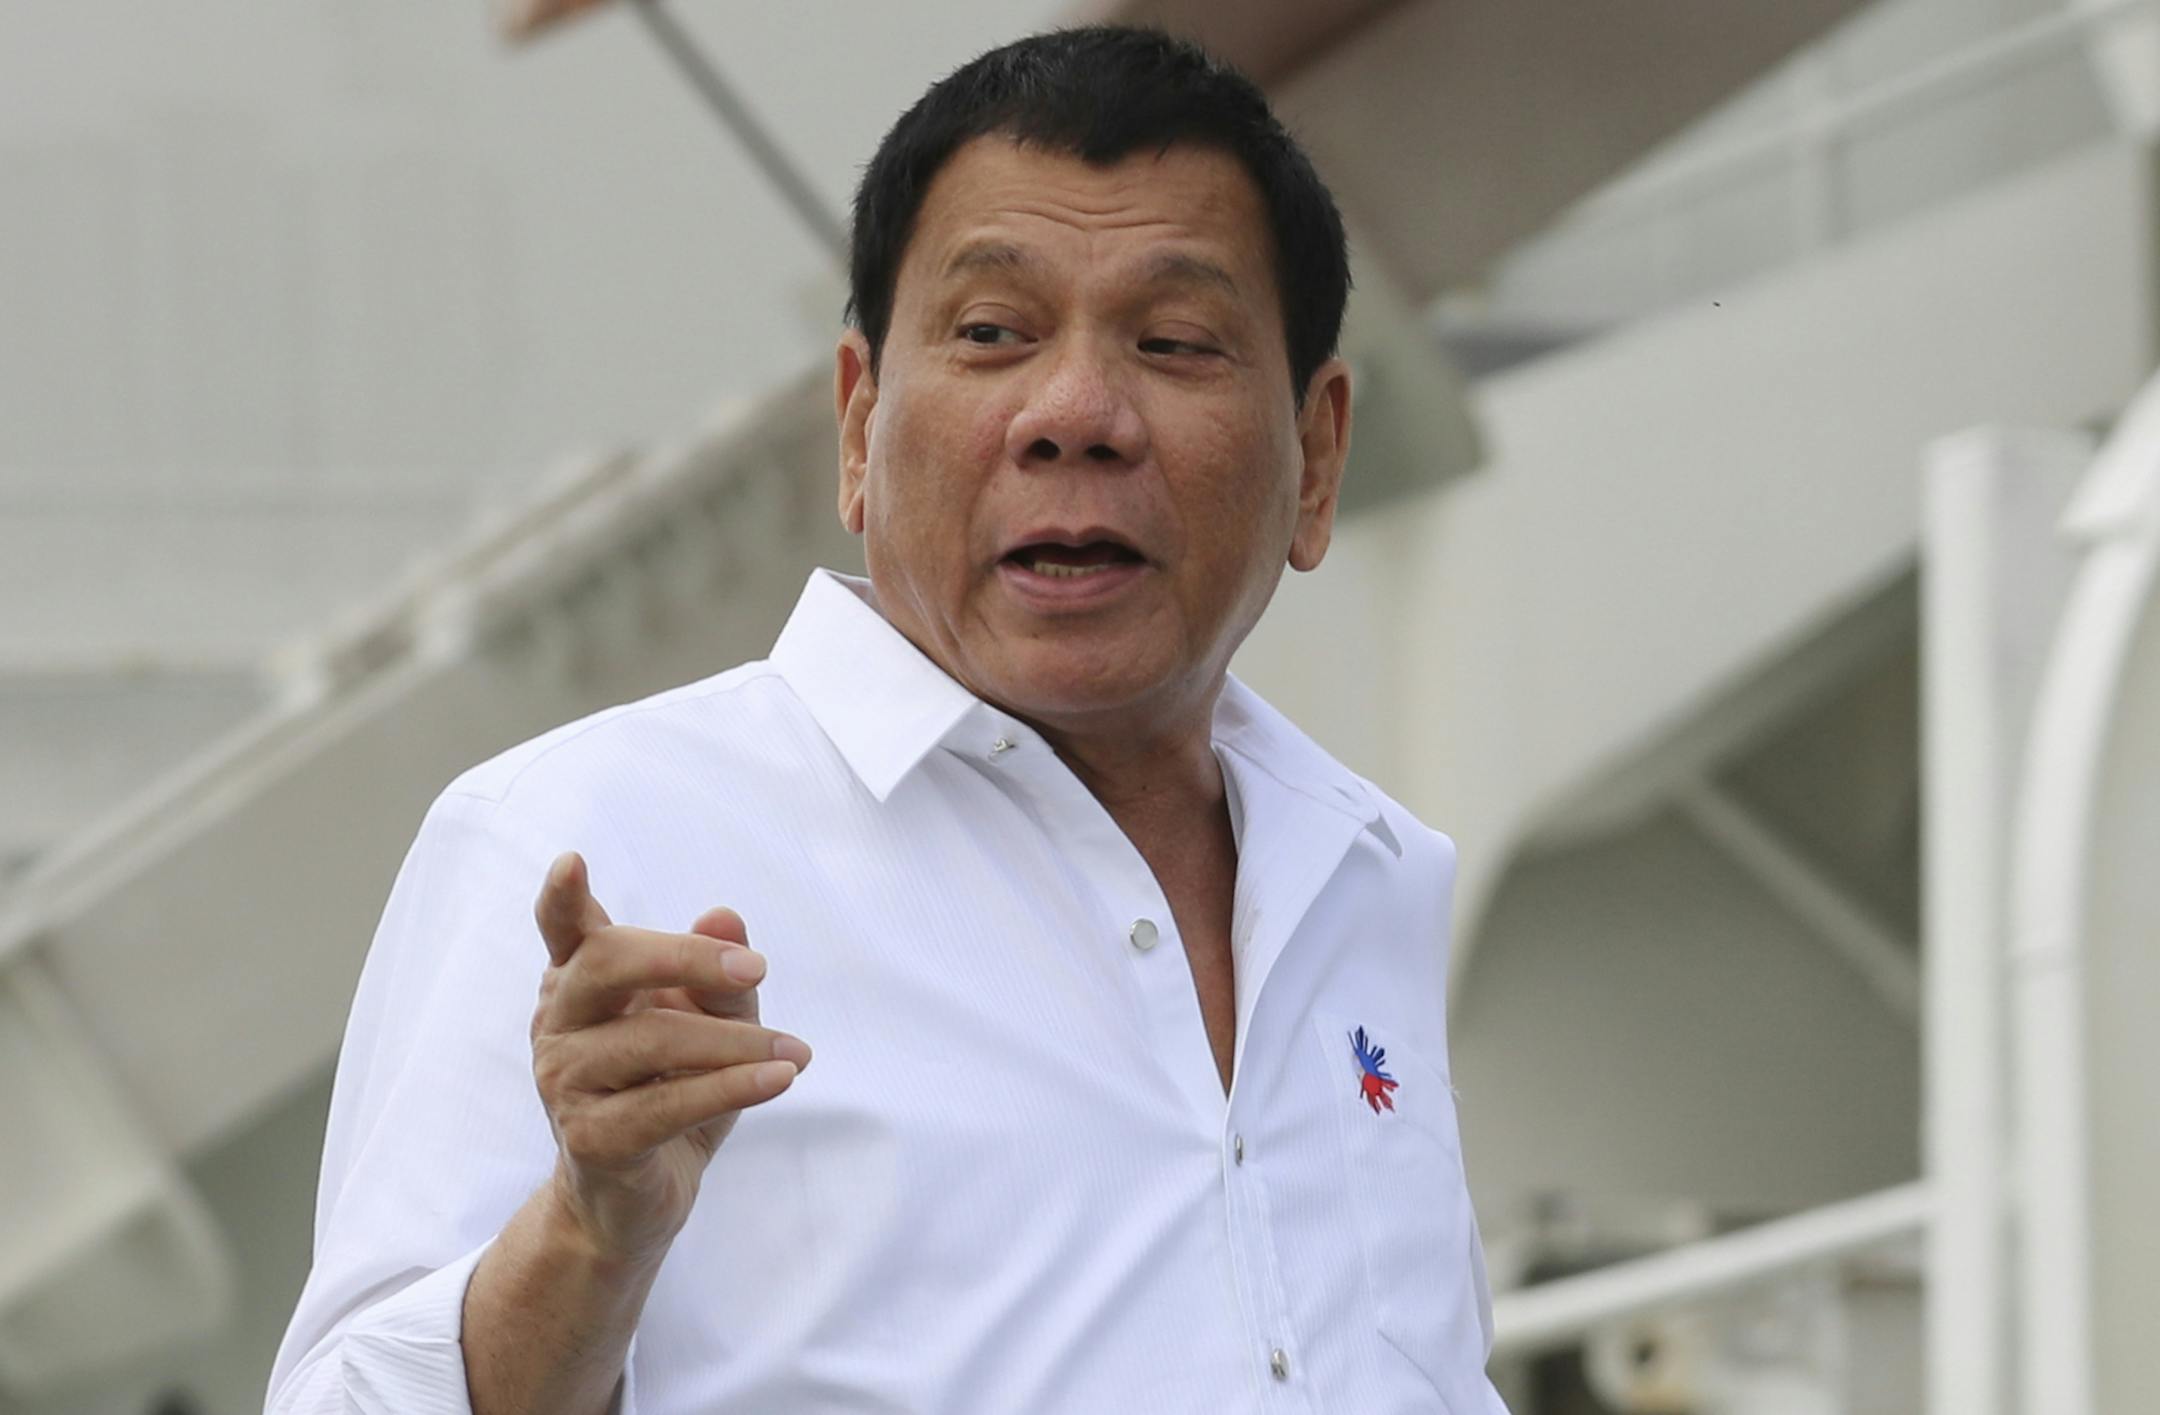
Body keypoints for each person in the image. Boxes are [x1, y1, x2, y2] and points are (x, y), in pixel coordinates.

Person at [267, 24, 1506, 1415]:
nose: (1077, 412)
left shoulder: (1371, 873)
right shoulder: (586, 842)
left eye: (1173, 341)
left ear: (1319, 456)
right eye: (991, 334)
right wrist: (587, 1233)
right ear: (858, 427)